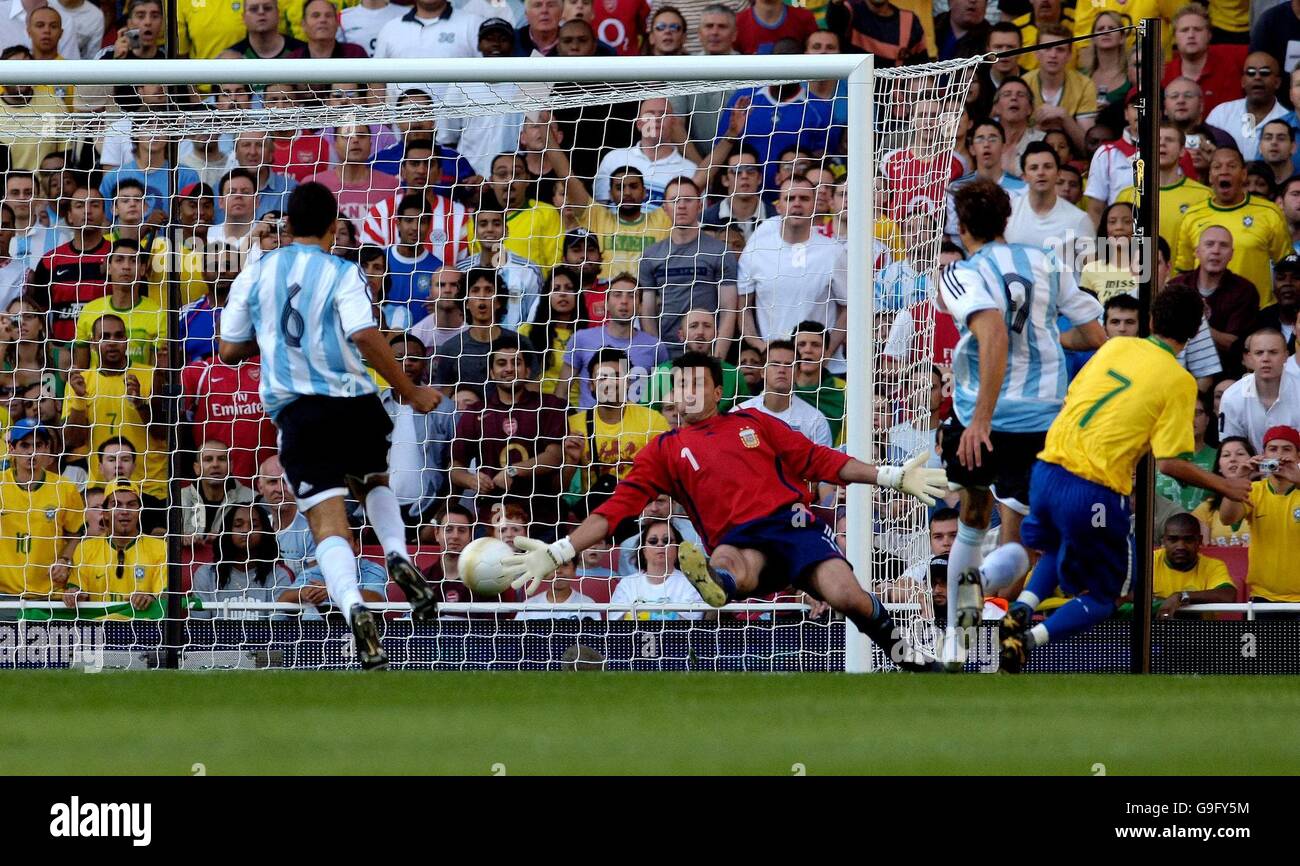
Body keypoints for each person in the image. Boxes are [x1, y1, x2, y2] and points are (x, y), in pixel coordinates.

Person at [500, 351, 950, 671]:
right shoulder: (663, 450)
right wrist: (559, 551)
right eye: (680, 384)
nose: (687, 392)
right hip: (737, 539)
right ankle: (718, 585)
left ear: (717, 390)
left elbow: (821, 460)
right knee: (728, 565)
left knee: (846, 595)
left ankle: (904, 654)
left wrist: (890, 476)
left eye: (696, 383)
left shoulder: (754, 423)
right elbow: (614, 511)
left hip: (793, 527)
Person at [218, 182, 445, 669]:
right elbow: (363, 334)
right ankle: (396, 554)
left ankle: (353, 606)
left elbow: (229, 349)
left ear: (286, 225)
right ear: (331, 226)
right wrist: (410, 390)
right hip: (355, 402)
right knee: (372, 482)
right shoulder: (343, 270)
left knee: (327, 525)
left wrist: (275, 336)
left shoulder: (253, 274)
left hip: (299, 411)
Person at [995, 284, 1255, 673]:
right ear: (1192, 335)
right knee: (1107, 596)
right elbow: (1169, 463)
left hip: (1047, 471)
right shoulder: (1178, 380)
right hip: (1093, 487)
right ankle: (1028, 640)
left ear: (1150, 320)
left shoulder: (1114, 347)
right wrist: (1226, 484)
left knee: (1054, 549)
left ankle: (1020, 609)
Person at [936, 178, 1105, 668]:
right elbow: (1092, 333)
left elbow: (992, 334)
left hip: (981, 415)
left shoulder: (962, 274)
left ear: (962, 227)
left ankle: (956, 636)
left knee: (971, 516)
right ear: (1006, 219)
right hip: (1044, 418)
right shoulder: (1048, 261)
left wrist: (980, 420)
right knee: (1026, 536)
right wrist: (1049, 339)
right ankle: (985, 587)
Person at [449, 342, 566, 532]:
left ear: (527, 371)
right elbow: (455, 468)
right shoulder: (475, 412)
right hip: (491, 518)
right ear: (491, 373)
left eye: (516, 363)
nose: (509, 369)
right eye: (502, 363)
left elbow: (555, 456)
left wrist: (513, 471)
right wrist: (471, 480)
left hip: (542, 517)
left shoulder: (549, 405)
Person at [738, 175, 847, 367]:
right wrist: (760, 346)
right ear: (779, 206)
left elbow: (848, 308)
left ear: (815, 205)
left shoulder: (833, 252)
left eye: (804, 199)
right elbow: (743, 307)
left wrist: (827, 353)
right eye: (790, 198)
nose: (797, 204)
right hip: (772, 366)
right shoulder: (756, 249)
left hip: (823, 370)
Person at [1175, 147, 1289, 308]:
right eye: (1217, 167)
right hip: (1204, 313)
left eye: (1231, 166)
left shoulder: (1269, 212)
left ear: (1243, 175)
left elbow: (1285, 266)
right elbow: (1184, 270)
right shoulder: (1192, 215)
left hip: (1257, 311)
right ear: (1209, 176)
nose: (1224, 171)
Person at [638, 177, 739, 357]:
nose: (682, 205)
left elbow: (729, 309)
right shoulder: (651, 255)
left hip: (706, 353)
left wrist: (717, 359)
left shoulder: (720, 252)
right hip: (666, 354)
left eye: (688, 200)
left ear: (700, 206)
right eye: (675, 200)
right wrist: (657, 355)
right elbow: (647, 312)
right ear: (665, 208)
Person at [380, 333, 457, 532]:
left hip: (428, 512)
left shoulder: (444, 408)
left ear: (425, 363)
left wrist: (440, 514)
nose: (406, 363)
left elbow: (457, 465)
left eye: (413, 358)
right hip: (379, 510)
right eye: (397, 358)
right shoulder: (373, 408)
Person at [0, 419, 84, 601]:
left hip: (50, 595)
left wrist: (65, 560)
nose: (32, 452)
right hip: (5, 595)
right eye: (25, 445)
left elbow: (77, 534)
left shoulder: (64, 488)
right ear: (12, 449)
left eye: (38, 445)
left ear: (47, 449)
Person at [1217, 425, 1300, 606]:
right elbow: (1227, 518)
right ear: (1263, 455)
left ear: (1298, 456)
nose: (1279, 455)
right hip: (1263, 598)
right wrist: (1237, 480)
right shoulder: (1253, 490)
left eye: (1287, 449)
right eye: (1272, 449)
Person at [62, 481, 166, 620]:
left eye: (131, 505)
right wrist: (73, 594)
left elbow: (166, 597)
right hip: (97, 633)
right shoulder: (85, 548)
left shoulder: (160, 548)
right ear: (105, 513)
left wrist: (150, 597)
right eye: (116, 505)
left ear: (139, 512)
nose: (124, 511)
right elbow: (77, 589)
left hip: (143, 633)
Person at [1167, 225, 1261, 374]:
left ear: (1231, 254)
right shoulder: (1176, 286)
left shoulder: (1245, 291)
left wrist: (1196, 322)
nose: (1216, 251)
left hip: (1227, 374)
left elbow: (1234, 344)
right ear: (1197, 251)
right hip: (1178, 370)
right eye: (1209, 244)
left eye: (1223, 245)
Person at [188, 502, 296, 619]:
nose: (246, 531)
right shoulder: (205, 574)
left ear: (265, 531)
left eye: (254, 525)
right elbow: (199, 626)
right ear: (227, 531)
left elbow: (277, 630)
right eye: (238, 525)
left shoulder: (279, 576)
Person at [641, 308, 750, 412]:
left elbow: (746, 415)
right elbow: (646, 416)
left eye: (707, 326)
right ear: (681, 335)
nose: (700, 332)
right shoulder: (662, 372)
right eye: (693, 326)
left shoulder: (733, 374)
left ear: (716, 334)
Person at [1004, 141, 1092, 260]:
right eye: (1033, 168)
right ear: (1024, 176)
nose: (1041, 173)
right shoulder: (1007, 212)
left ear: (1058, 173)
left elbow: (1091, 272)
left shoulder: (1079, 219)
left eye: (1048, 167)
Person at [736, 341, 834, 448]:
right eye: (775, 364)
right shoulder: (739, 413)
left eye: (789, 365)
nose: (782, 370)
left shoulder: (815, 420)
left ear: (798, 373)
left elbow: (824, 463)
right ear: (762, 372)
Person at [1218, 329, 1300, 449]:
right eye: (1259, 353)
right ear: (1249, 358)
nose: (1265, 358)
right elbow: (1230, 448)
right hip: (1249, 465)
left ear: (1286, 356)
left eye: (1273, 352)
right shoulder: (1232, 397)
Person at [1149, 512, 1237, 621]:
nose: (1180, 546)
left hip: (1199, 634)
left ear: (1199, 541)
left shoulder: (1212, 566)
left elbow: (1228, 596)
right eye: (1173, 539)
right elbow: (1126, 596)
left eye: (1188, 540)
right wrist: (1160, 603)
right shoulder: (1149, 562)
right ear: (1163, 541)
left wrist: (1182, 596)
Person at [1205, 52, 1287, 162]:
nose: (1257, 77)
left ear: (1277, 82)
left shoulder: (1288, 119)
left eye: (1265, 72)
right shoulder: (1221, 114)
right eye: (1251, 72)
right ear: (1243, 81)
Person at [180, 439, 257, 546]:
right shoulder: (178, 499)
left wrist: (227, 539)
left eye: (221, 459)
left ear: (231, 466)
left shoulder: (253, 499)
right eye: (208, 459)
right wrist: (177, 537)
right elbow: (156, 532)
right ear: (197, 468)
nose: (215, 464)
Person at [1191, 435, 1255, 544]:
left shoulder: (1266, 499)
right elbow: (1204, 550)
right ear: (1219, 467)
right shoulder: (1205, 509)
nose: (1233, 459)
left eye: (1240, 454)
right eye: (1226, 455)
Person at [516, 558, 600, 621]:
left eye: (565, 565)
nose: (558, 571)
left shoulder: (588, 604)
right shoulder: (529, 605)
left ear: (574, 570)